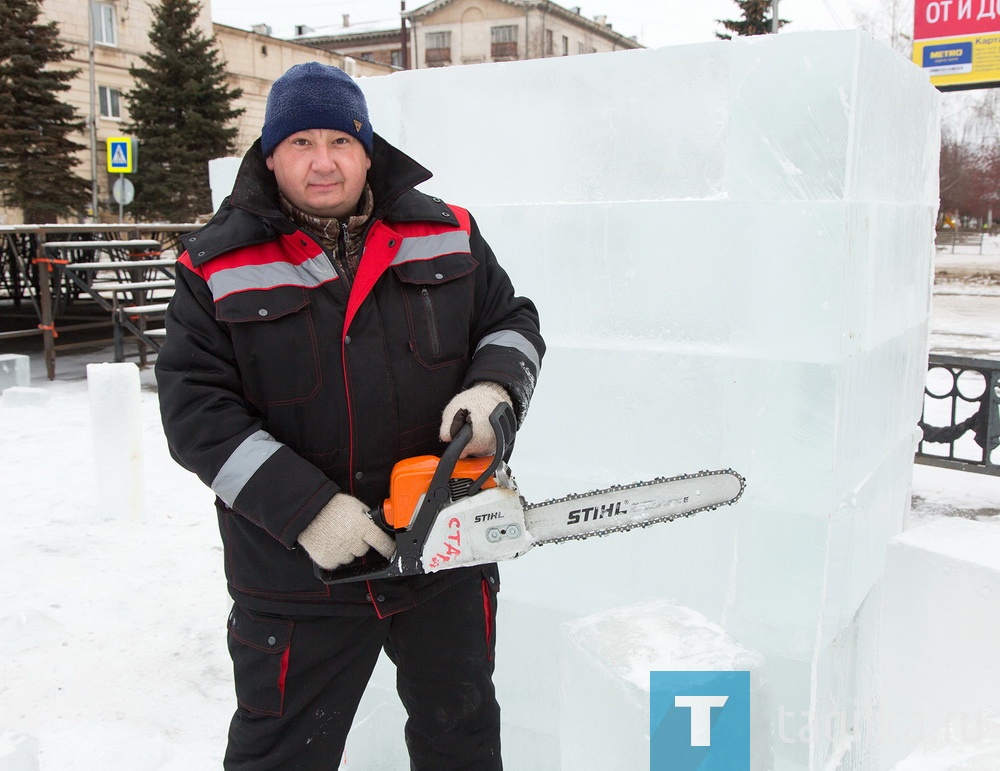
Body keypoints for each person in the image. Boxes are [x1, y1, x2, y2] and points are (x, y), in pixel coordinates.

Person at [155, 61, 544, 769]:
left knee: (460, 741)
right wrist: (304, 509)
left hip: (445, 553)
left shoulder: (448, 231)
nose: (324, 161)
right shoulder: (215, 262)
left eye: (341, 140)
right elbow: (195, 410)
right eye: (302, 142)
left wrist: (495, 390)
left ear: (370, 149)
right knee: (281, 755)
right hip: (298, 575)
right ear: (270, 155)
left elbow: (510, 321)